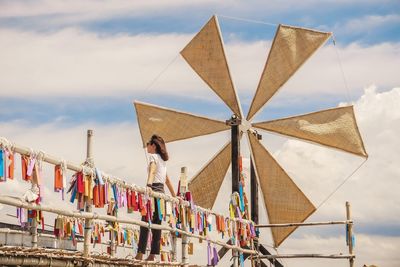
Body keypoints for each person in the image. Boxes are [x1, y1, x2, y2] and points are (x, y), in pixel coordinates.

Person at [135, 134, 176, 261]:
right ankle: (152, 254)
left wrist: (148, 185)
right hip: (162, 193)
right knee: (157, 224)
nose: (146, 146)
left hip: (154, 190)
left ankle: (140, 253)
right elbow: (167, 180)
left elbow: (152, 171)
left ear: (153, 146)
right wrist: (174, 196)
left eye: (148, 144)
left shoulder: (153, 157)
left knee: (145, 222)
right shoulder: (162, 161)